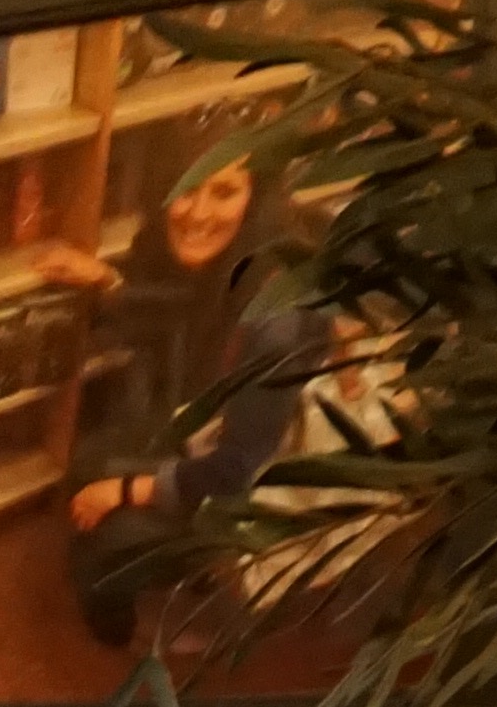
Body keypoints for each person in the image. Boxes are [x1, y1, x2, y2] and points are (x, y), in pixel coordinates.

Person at [58, 123, 328, 645]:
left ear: (256, 199)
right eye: (187, 188)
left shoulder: (275, 317)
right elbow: (181, 306)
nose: (198, 213)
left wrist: (123, 491)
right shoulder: (236, 261)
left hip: (255, 478)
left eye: (224, 192)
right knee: (91, 460)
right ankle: (181, 564)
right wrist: (106, 280)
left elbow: (237, 469)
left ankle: (124, 628)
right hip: (211, 435)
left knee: (106, 541)